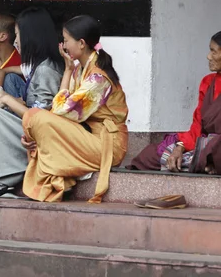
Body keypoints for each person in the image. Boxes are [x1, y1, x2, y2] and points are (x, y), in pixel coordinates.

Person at [21, 15, 129, 203]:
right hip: (88, 134)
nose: (62, 45)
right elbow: (60, 113)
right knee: (36, 123)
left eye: (65, 40)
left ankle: (56, 184)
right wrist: (69, 71)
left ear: (81, 43)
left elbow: (62, 110)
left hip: (107, 144)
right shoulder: (79, 69)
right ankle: (58, 183)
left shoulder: (98, 78)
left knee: (34, 117)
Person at [0, 7, 64, 198]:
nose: (15, 41)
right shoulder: (39, 65)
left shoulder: (46, 70)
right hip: (31, 129)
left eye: (17, 35)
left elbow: (40, 119)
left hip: (39, 138)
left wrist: (6, 99)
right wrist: (2, 93)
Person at [129, 31, 221, 174]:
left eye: (213, 51)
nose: (208, 56)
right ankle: (201, 163)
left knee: (215, 148)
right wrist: (180, 147)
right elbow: (197, 124)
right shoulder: (208, 82)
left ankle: (204, 161)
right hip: (204, 144)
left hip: (215, 145)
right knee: (150, 155)